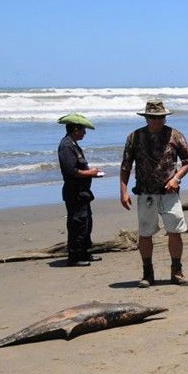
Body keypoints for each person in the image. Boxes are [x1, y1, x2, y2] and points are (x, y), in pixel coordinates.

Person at [119, 100, 188, 287]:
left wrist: (176, 178)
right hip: (146, 193)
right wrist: (123, 191)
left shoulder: (174, 135)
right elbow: (126, 166)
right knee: (145, 233)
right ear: (146, 118)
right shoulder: (134, 137)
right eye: (152, 117)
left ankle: (177, 272)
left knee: (175, 232)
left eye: (160, 117)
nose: (156, 121)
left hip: (169, 193)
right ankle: (147, 274)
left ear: (164, 117)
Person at [57, 113, 103, 267]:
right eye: (83, 129)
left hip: (82, 192)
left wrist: (91, 173)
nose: (85, 132)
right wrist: (90, 173)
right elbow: (71, 171)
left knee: (86, 222)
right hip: (74, 193)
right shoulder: (66, 146)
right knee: (77, 223)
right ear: (75, 129)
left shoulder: (73, 145)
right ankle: (74, 256)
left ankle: (84, 252)